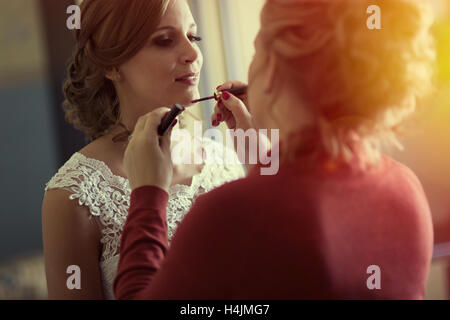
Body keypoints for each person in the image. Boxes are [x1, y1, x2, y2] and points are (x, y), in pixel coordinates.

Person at [113, 0, 436, 299]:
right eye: (165, 40)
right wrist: (266, 161)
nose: (193, 55)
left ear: (272, 72)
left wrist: (147, 193)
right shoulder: (406, 189)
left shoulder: (230, 212)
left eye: (257, 50)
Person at [41, 0, 244, 300]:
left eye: (193, 36)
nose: (193, 54)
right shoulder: (74, 196)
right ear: (110, 65)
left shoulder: (227, 162)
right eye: (164, 40)